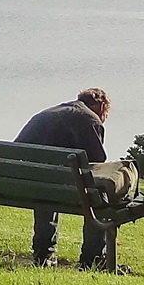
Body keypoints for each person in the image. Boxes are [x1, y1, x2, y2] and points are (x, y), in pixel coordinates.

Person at [14, 88, 111, 269]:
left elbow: (17, 149)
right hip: (54, 188)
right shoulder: (90, 119)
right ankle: (93, 259)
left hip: (23, 184)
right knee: (100, 198)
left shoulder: (45, 114)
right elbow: (97, 163)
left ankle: (44, 255)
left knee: (47, 189)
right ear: (101, 105)